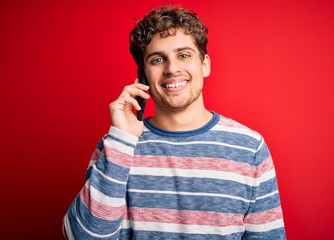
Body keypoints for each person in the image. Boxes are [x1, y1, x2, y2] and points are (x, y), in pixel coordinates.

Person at [63, 5, 286, 240]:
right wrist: (122, 140)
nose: (172, 69)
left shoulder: (250, 148)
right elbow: (81, 236)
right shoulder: (116, 146)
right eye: (158, 59)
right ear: (143, 75)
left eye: (184, 55)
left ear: (205, 64)